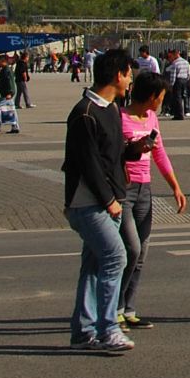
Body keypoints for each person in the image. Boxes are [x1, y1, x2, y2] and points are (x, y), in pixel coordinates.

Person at [63, 47, 136, 353]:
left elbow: (111, 155)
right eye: (129, 74)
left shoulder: (111, 109)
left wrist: (135, 150)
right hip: (88, 203)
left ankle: (83, 332)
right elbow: (89, 164)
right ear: (118, 75)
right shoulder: (85, 113)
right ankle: (109, 329)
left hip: (110, 200)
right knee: (116, 257)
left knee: (94, 267)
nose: (131, 81)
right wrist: (109, 201)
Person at [118, 71, 187, 330]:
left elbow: (160, 154)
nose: (162, 101)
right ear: (151, 96)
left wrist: (175, 187)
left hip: (144, 190)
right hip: (124, 190)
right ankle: (114, 308)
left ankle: (129, 309)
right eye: (160, 96)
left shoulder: (151, 118)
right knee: (131, 249)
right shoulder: (119, 117)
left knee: (141, 253)